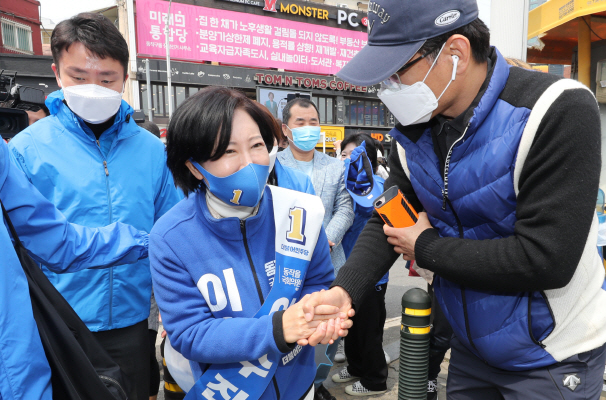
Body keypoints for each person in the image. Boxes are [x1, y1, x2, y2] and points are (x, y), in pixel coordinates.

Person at [301, 0, 606, 399]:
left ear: (456, 53)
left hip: (553, 354)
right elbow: (389, 220)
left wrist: (426, 247)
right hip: (471, 347)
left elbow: (547, 258)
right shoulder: (414, 132)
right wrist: (342, 291)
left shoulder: (553, 110)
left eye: (397, 72)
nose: (388, 88)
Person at [8, 13, 181, 400]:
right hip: (60, 319)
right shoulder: (26, 150)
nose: (93, 88)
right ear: (56, 73)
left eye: (106, 79)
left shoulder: (153, 150)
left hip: (134, 321)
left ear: (125, 78)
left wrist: (172, 306)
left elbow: (172, 229)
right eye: (78, 77)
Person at [150, 86, 351, 400]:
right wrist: (277, 329)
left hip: (298, 387)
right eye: (229, 151)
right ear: (193, 166)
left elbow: (318, 281)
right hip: (227, 390)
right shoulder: (171, 237)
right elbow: (189, 333)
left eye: (257, 145)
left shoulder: (299, 211)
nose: (250, 162)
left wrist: (317, 312)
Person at [0, 137, 151, 399]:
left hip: (25, 369)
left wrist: (150, 242)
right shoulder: (27, 145)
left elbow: (52, 238)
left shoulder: (148, 147)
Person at [331, 134, 389, 397]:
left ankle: (375, 380)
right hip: (346, 272)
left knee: (368, 331)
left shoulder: (375, 183)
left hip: (371, 276)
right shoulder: (341, 184)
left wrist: (361, 179)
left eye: (357, 156)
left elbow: (372, 197)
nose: (349, 161)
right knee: (351, 328)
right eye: (345, 155)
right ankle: (356, 367)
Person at [277, 98, 354, 272]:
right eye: (300, 123)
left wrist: (324, 242)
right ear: (285, 129)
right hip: (283, 261)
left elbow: (345, 209)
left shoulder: (336, 166)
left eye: (313, 123)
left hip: (329, 260)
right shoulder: (273, 166)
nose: (308, 128)